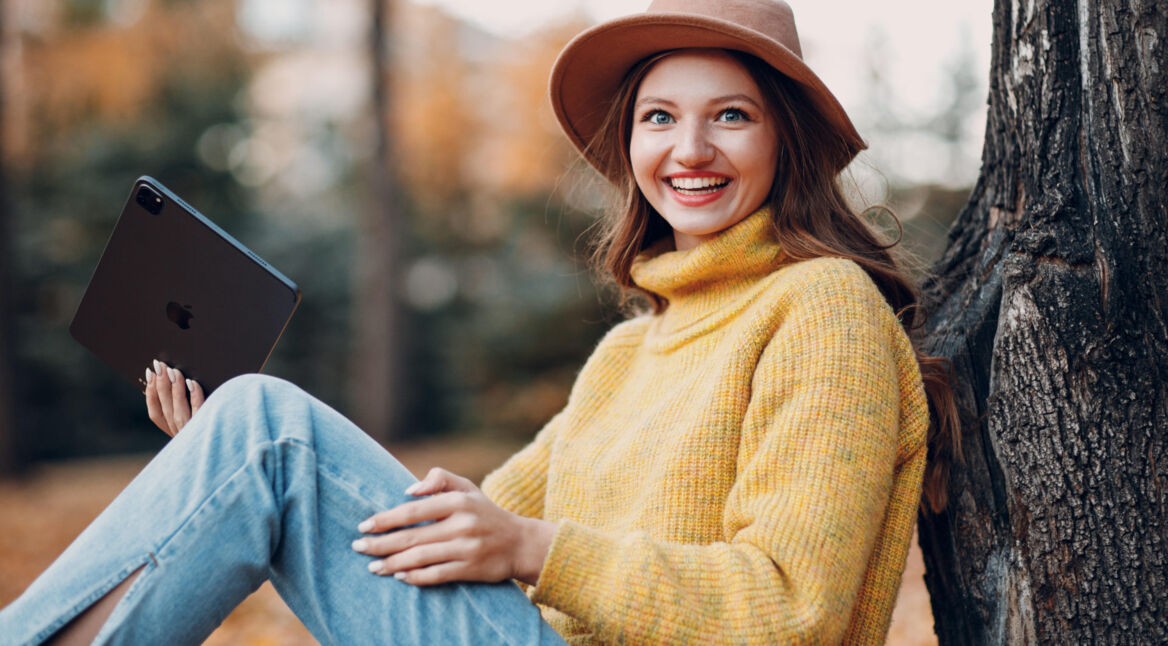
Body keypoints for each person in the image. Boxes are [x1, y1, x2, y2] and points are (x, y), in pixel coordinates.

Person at [0, 0, 959, 643]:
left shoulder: (822, 309)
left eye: (732, 116)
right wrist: (220, 469)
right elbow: (433, 530)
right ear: (630, 144)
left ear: (786, 135)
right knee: (256, 436)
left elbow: (798, 610)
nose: (690, 149)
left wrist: (536, 548)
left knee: (266, 430)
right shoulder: (632, 352)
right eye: (659, 117)